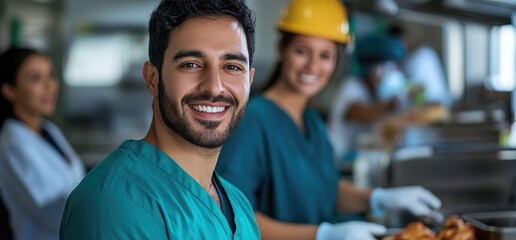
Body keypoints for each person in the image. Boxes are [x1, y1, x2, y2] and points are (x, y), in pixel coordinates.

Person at [216, 0, 442, 239]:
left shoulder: (312, 123)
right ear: (282, 49)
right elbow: (233, 217)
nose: (313, 66)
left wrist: (378, 198)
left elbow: (325, 188)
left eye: (325, 55)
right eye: (302, 51)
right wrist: (321, 234)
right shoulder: (253, 121)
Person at [59, 0, 259, 239]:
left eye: (232, 67)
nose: (214, 87)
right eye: (191, 64)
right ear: (152, 78)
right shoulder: (116, 203)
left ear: (250, 79)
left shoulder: (239, 205)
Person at [0, 47, 86, 240]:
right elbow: (54, 212)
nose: (49, 86)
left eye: (51, 75)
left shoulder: (48, 130)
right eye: (35, 78)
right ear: (9, 90)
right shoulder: (14, 144)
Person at [328, 34, 408, 158]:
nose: (389, 75)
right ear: (372, 67)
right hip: (340, 162)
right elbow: (364, 114)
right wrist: (393, 102)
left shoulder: (371, 93)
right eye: (387, 68)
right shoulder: (351, 86)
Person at [389, 24, 452, 108]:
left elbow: (417, 88)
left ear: (405, 38)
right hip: (436, 104)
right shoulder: (422, 52)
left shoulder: (419, 57)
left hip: (434, 105)